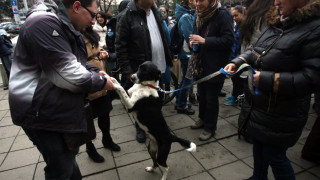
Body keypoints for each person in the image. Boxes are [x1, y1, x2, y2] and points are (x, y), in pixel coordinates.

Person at [8, 0, 115, 179]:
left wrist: (97, 72)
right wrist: (101, 82)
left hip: (54, 107)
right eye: (92, 14)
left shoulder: (63, 25)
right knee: (61, 168)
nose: (93, 21)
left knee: (68, 161)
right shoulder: (43, 23)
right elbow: (68, 74)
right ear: (76, 6)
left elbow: (76, 63)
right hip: (38, 111)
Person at [224, 0, 320, 179]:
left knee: (274, 156)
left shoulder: (314, 29)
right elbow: (255, 49)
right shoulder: (276, 21)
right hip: (260, 105)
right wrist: (237, 62)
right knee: (258, 146)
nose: (276, 2)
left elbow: (312, 78)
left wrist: (269, 80)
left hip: (282, 111)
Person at [115, 0, 172, 143]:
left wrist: (168, 57)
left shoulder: (156, 12)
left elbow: (162, 36)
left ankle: (156, 123)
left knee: (156, 99)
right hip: (141, 69)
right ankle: (140, 127)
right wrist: (127, 70)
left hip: (158, 65)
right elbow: (120, 46)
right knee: (139, 102)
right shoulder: (127, 15)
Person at [187, 0, 234, 141]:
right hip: (200, 64)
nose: (197, 3)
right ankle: (202, 119)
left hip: (215, 65)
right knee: (201, 94)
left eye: (201, 0)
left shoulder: (223, 14)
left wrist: (205, 41)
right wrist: (192, 42)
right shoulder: (199, 14)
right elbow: (195, 34)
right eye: (196, 0)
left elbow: (229, 40)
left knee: (211, 98)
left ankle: (210, 127)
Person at [82, 27, 120, 163]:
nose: (93, 20)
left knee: (105, 112)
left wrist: (103, 53)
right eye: (91, 16)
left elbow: (96, 49)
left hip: (101, 76)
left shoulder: (91, 32)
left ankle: (107, 139)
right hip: (87, 80)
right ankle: (89, 147)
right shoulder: (73, 34)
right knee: (88, 117)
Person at [174, 0, 196, 115]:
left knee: (185, 79)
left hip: (186, 53)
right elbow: (190, 38)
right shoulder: (186, 16)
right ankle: (181, 105)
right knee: (187, 80)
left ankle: (179, 102)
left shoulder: (187, 14)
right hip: (187, 54)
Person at [224, 5, 245, 106]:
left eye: (236, 15)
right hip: (234, 56)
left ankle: (236, 98)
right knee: (234, 78)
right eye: (233, 16)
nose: (234, 18)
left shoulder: (245, 26)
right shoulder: (237, 25)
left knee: (238, 80)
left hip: (240, 57)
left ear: (243, 13)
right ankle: (234, 95)